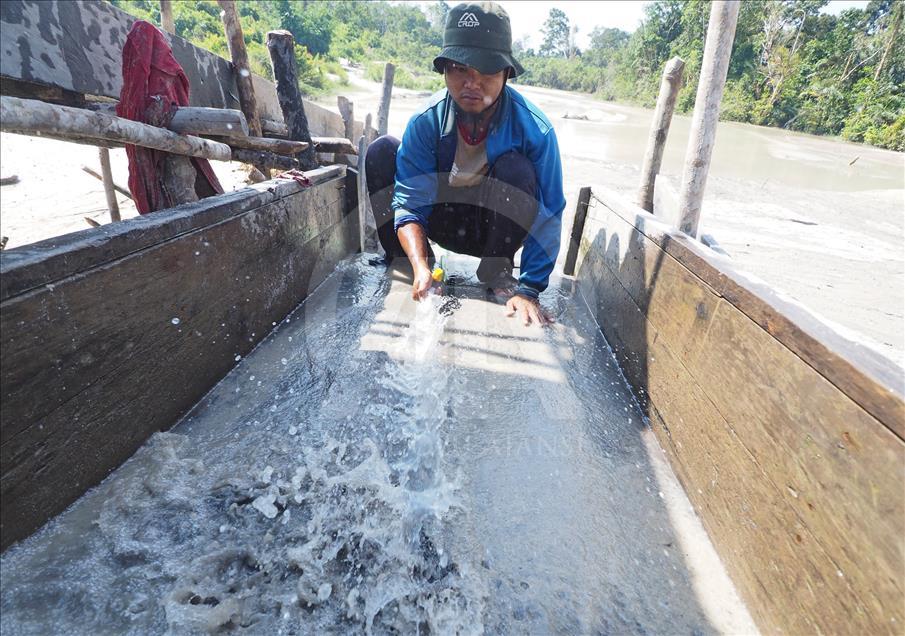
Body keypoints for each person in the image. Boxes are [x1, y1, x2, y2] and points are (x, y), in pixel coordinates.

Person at [365, 1, 565, 326]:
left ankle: (496, 271)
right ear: (444, 71)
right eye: (458, 68)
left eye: (485, 70)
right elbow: (409, 204)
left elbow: (549, 214)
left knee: (517, 169)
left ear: (506, 73)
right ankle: (410, 266)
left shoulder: (536, 130)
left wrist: (529, 289)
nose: (471, 82)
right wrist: (421, 267)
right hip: (439, 218)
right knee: (381, 151)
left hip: (493, 230)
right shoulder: (426, 122)